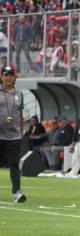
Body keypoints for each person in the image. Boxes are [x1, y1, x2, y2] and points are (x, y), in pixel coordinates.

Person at [0, 66, 26, 203]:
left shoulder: (19, 94)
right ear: (1, 77)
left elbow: (20, 115)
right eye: (6, 75)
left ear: (15, 77)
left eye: (11, 75)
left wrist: (21, 133)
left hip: (14, 137)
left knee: (14, 165)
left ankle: (16, 192)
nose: (8, 77)